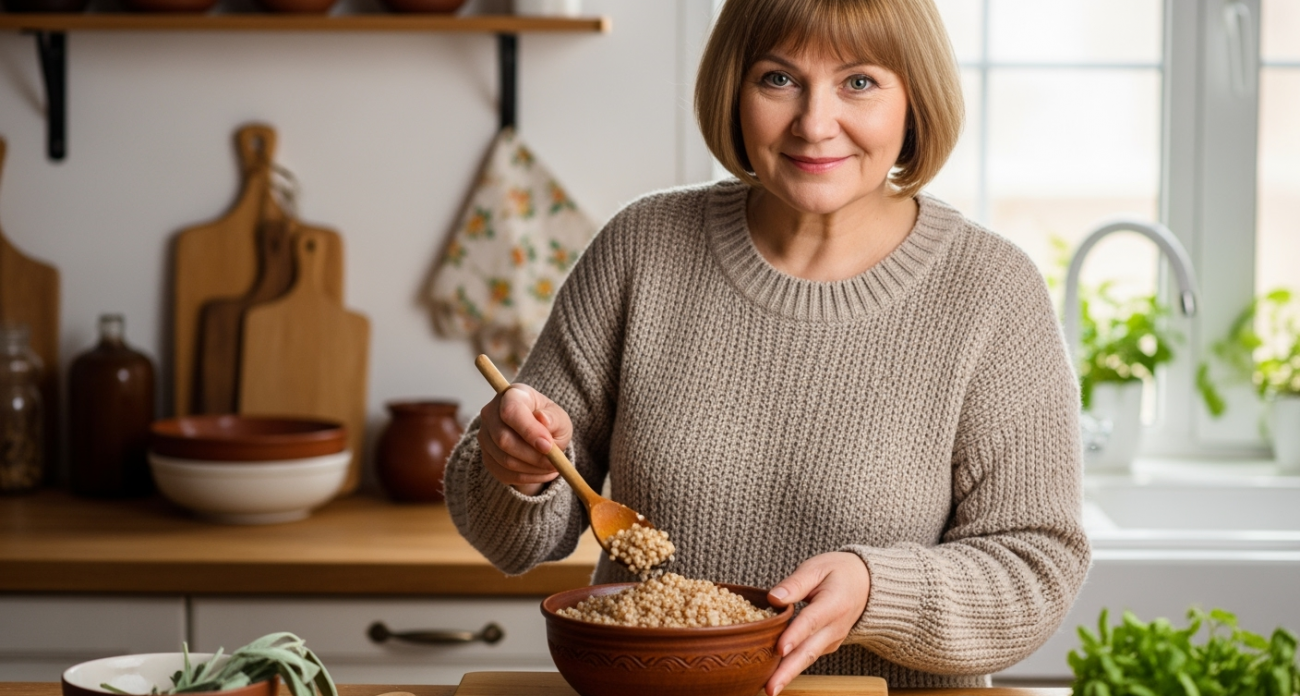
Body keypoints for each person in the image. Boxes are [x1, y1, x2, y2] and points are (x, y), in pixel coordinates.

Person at [443, 0, 1090, 692]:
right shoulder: (643, 248)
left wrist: (879, 589)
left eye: (860, 82)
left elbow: (1036, 569)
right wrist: (516, 469)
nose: (814, 124)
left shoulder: (991, 290)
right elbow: (511, 539)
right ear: (734, 89)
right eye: (778, 79)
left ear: (915, 99)